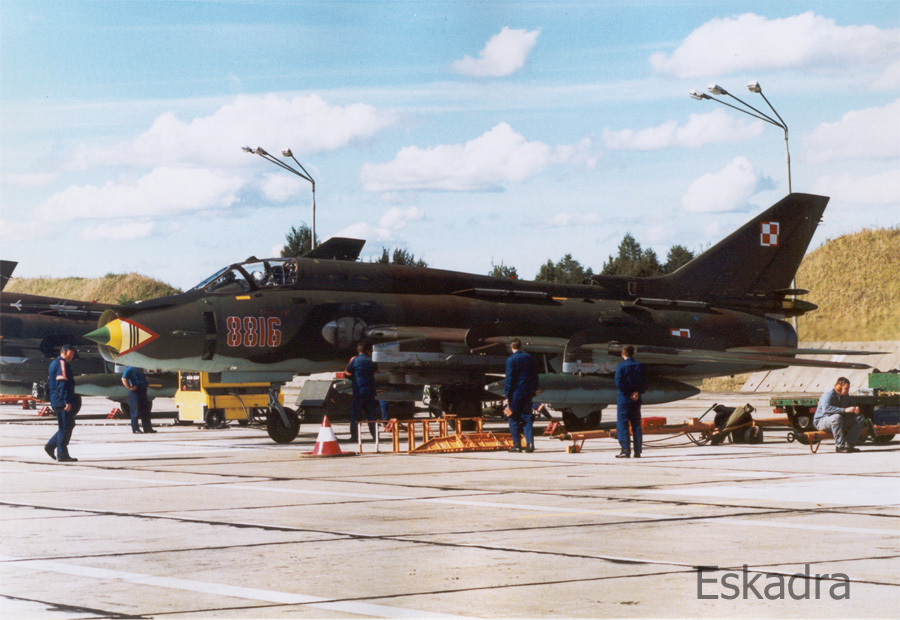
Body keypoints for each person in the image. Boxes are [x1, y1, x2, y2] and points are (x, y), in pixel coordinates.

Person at [44, 344, 78, 462]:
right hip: (61, 400)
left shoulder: (54, 363)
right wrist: (66, 401)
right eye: (72, 353)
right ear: (66, 351)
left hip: (57, 399)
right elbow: (61, 384)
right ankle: (62, 453)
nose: (73, 356)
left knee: (68, 424)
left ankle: (51, 445)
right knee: (65, 427)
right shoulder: (61, 364)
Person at [504, 338, 539, 453]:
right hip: (527, 393)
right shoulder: (529, 357)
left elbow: (509, 379)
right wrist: (534, 390)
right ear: (521, 346)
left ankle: (517, 445)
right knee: (527, 418)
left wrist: (507, 395)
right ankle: (530, 444)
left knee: (513, 418)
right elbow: (535, 375)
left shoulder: (511, 360)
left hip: (515, 394)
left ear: (511, 347)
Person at [814, 377, 864, 453]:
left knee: (859, 418)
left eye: (848, 389)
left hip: (838, 421)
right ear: (838, 387)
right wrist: (844, 410)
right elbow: (826, 409)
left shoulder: (845, 396)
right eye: (846, 388)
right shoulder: (828, 394)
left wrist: (856, 409)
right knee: (837, 417)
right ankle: (840, 446)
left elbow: (852, 405)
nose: (848, 391)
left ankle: (849, 444)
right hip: (822, 421)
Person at [614, 344, 648, 458]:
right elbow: (645, 382)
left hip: (624, 399)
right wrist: (637, 392)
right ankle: (637, 451)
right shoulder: (640, 366)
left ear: (623, 354)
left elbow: (619, 383)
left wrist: (629, 393)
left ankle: (625, 451)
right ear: (633, 353)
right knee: (636, 425)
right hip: (636, 399)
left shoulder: (620, 367)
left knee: (623, 425)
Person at [345, 340, 378, 442]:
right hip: (370, 392)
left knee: (355, 416)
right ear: (368, 351)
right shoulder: (371, 360)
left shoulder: (354, 360)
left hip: (358, 392)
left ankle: (354, 437)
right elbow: (376, 371)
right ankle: (375, 437)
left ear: (358, 350)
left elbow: (347, 373)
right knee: (371, 416)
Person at [121, 366, 156, 434]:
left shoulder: (142, 369)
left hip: (143, 390)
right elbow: (124, 378)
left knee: (145, 411)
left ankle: (147, 428)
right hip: (135, 391)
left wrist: (147, 381)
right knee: (135, 411)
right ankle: (135, 429)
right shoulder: (130, 369)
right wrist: (129, 387)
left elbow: (146, 377)